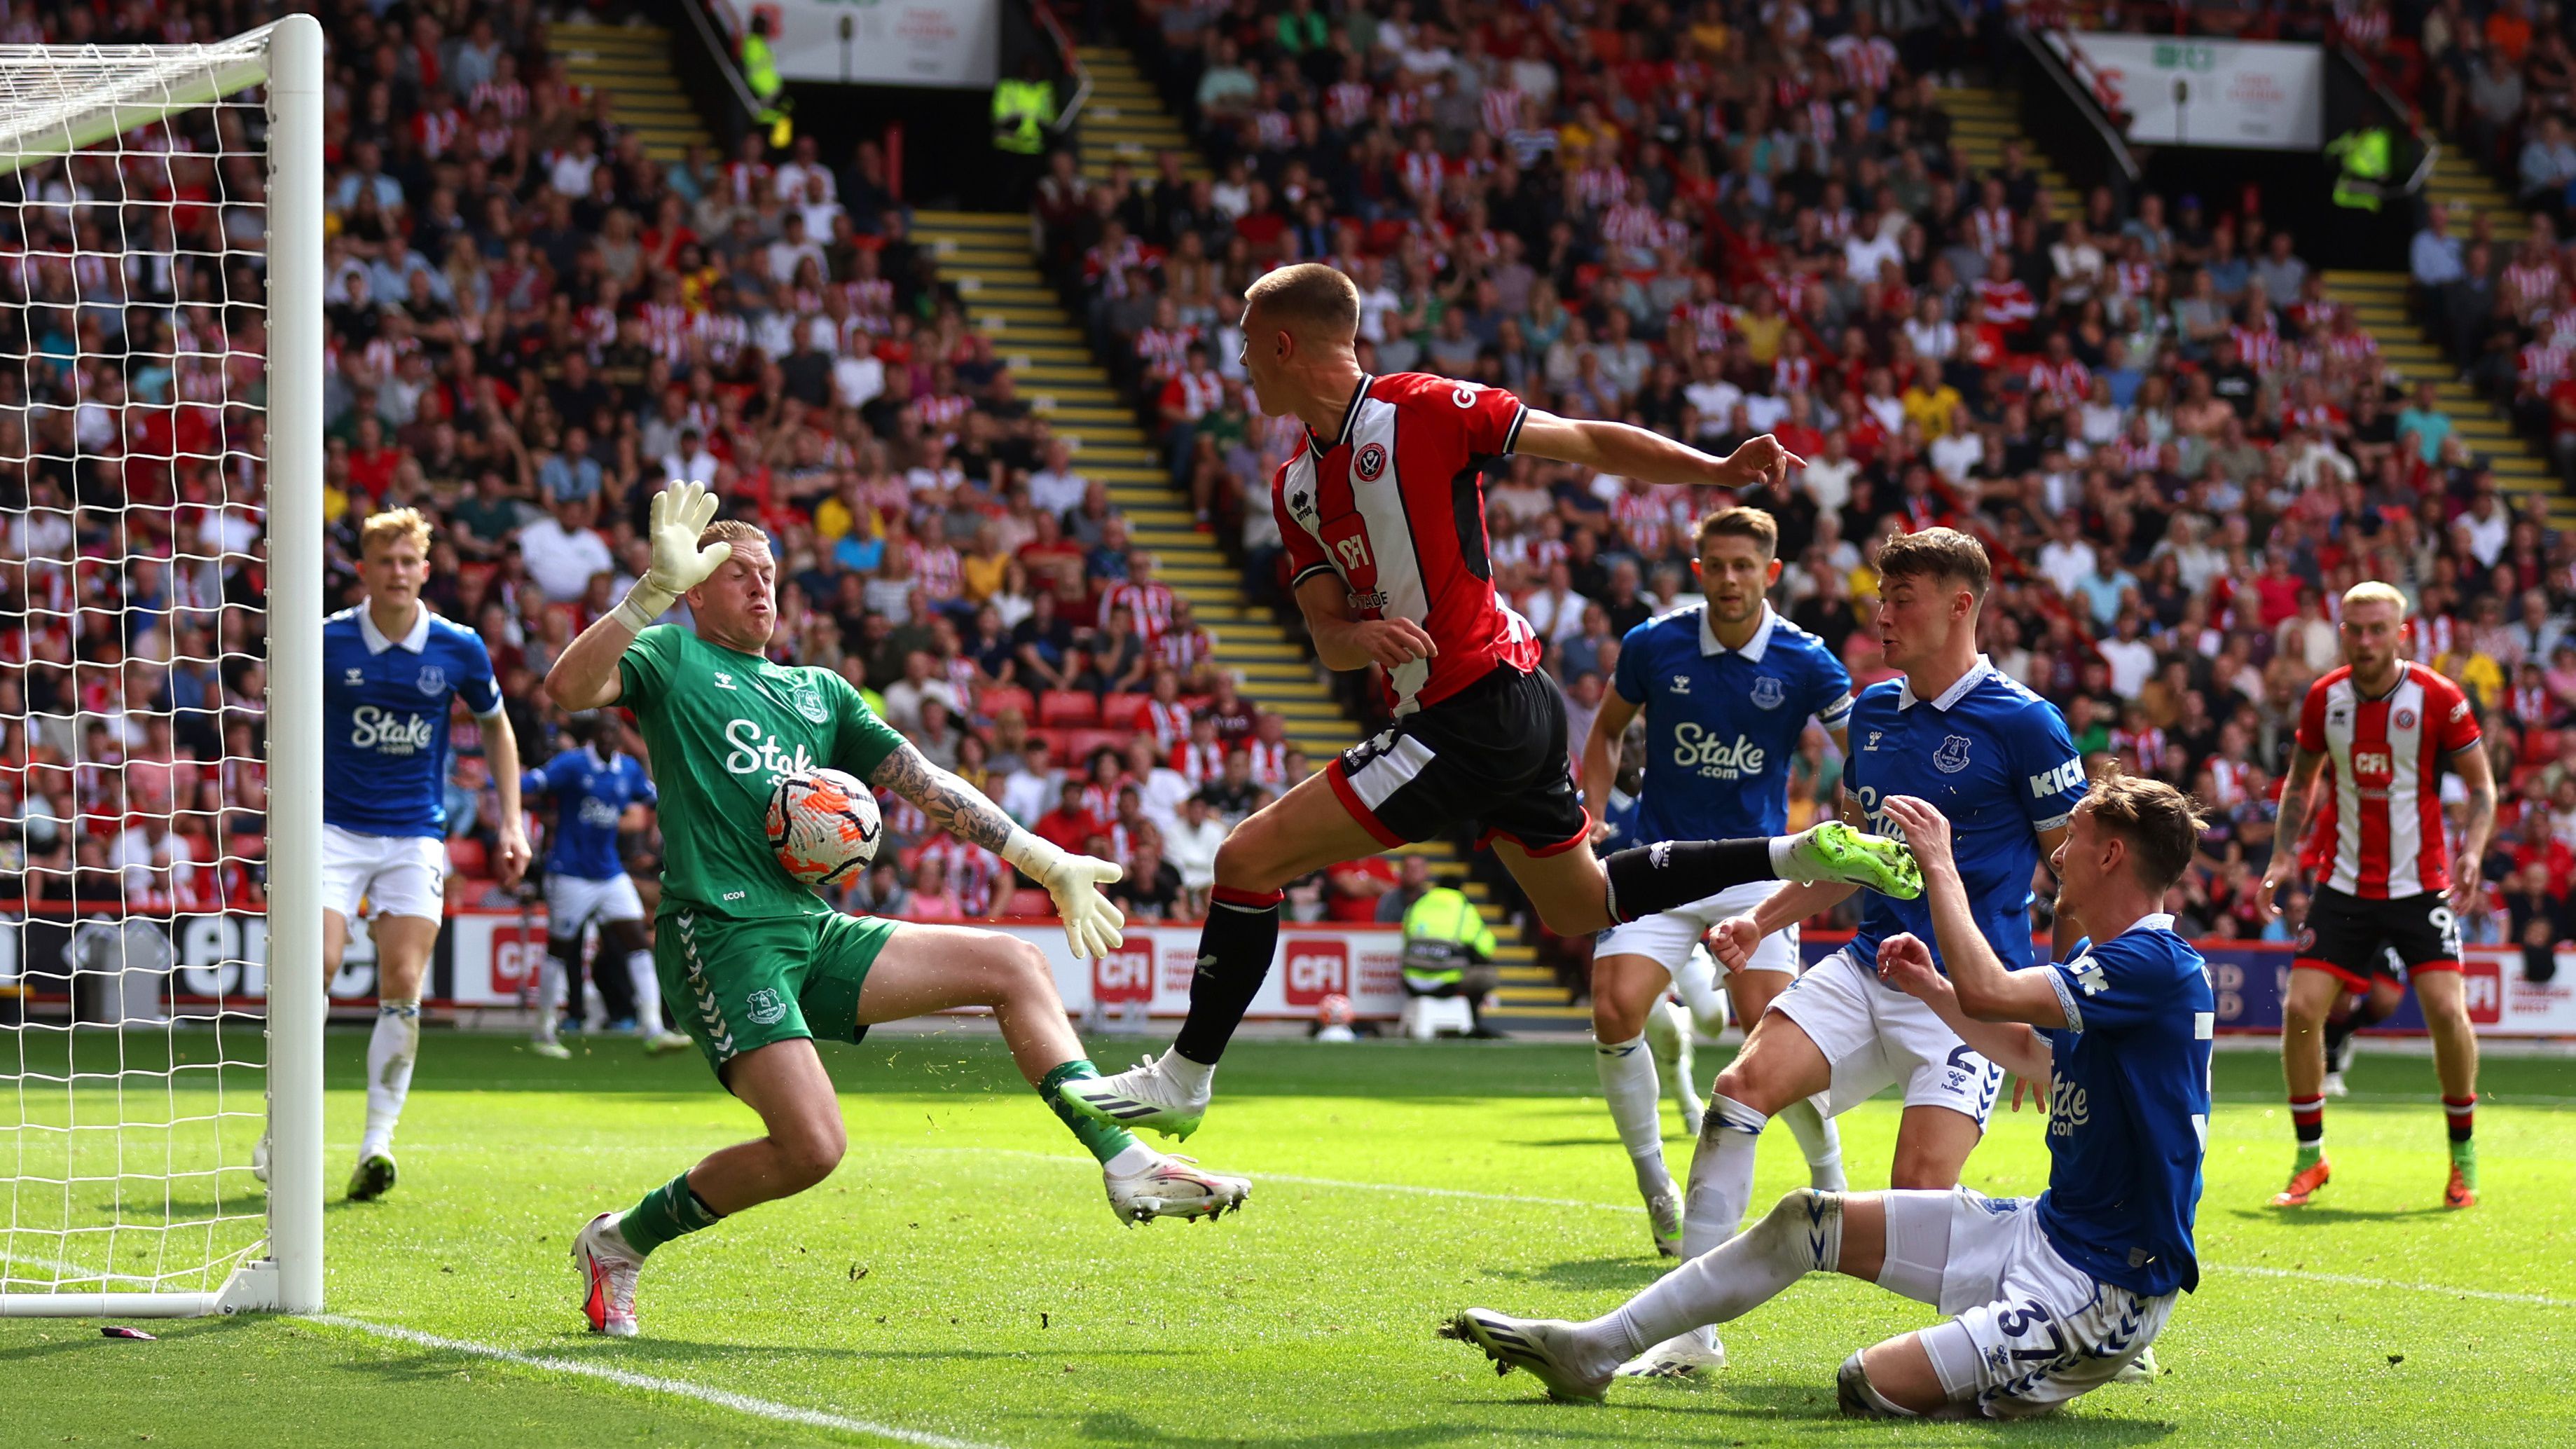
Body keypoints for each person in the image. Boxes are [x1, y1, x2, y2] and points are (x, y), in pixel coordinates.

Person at [1059, 261, 1920, 1140]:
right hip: (1493, 711)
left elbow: (1581, 439)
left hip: (1472, 704)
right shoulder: (1296, 488)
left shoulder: (1422, 410)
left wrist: (1713, 468)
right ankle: (1795, 849)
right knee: (1579, 907)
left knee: (1245, 860)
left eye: (1246, 344)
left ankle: (1185, 1076)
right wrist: (1361, 638)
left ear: (1282, 344)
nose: (1237, 361)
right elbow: (1323, 631)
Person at [544, 483, 1249, 1338]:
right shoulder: (671, 658)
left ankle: (1125, 1159)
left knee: (1012, 965)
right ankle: (620, 1241)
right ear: (696, 588)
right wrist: (644, 597)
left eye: (771, 574)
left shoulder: (819, 692)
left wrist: (1042, 859)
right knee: (812, 1150)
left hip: (810, 928)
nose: (762, 588)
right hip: (722, 936)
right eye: (739, 577)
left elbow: (927, 781)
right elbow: (569, 688)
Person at [1445, 776, 2212, 1421]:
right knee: (1801, 1220)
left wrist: (1937, 866)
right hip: (2043, 1234)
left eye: (2074, 835)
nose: (2059, 850)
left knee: (1867, 1381)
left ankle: (2076, 1363)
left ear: (2112, 853)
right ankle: (1593, 1349)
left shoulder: (2155, 962)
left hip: (2106, 1286)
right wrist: (1932, 990)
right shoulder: (2109, 958)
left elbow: (1993, 990)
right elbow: (2023, 1051)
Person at [1624, 527, 2088, 1380]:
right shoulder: (1872, 711)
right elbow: (1850, 853)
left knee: (1914, 1192)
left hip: (1965, 995)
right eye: (1880, 596)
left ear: (1959, 605)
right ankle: (1689, 1336)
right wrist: (1761, 921)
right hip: (1870, 961)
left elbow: (2081, 882)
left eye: (1900, 598)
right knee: (1738, 1090)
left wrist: (2050, 1011)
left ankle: (2057, 1307)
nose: (1881, 614)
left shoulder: (2027, 725)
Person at [1580, 505, 1851, 1258]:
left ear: (1770, 573)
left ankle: (1831, 1181)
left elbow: (1864, 748)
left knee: (1770, 1036)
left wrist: (1853, 812)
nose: (1729, 579)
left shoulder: (1805, 659)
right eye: (1715, 565)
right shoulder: (1652, 644)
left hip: (1753, 872)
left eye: (1744, 566)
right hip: (1658, 858)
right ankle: (1654, 1187)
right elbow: (1604, 731)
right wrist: (1592, 816)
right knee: (1612, 1006)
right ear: (1697, 570)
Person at [305, 508, 531, 1202]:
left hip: (411, 833)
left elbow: (498, 729)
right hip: (330, 828)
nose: (398, 572)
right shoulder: (325, 641)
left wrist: (511, 823)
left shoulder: (458, 647)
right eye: (385, 561)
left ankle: (377, 1143)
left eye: (409, 561)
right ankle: (284, 1126)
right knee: (316, 964)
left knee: (402, 981)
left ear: (425, 570)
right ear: (365, 570)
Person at [2256, 581, 2496, 1209]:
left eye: (2376, 629)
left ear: (2400, 634)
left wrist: (2471, 851)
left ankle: (2462, 1157)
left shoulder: (2438, 698)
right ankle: (2310, 1156)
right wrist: (2284, 854)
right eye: (2354, 629)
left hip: (2421, 885)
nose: (2364, 641)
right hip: (2344, 886)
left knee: (2446, 1011)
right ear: (2341, 631)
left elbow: (2482, 789)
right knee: (2302, 1009)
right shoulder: (2323, 699)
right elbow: (2299, 783)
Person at [523, 713, 691, 1057]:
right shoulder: (571, 765)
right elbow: (535, 784)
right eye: (603, 732)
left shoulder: (627, 770)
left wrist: (690, 803)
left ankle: (654, 1029)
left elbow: (655, 799)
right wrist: (499, 783)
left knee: (637, 943)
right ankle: (543, 1030)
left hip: (610, 873)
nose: (609, 739)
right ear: (592, 736)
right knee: (560, 950)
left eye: (615, 733)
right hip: (569, 872)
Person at [1398, 879, 1502, 1036]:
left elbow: (1405, 936)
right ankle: (1472, 1022)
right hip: (1446, 985)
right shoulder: (1462, 907)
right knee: (1488, 975)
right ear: (1460, 889)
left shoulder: (1418, 904)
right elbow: (1487, 947)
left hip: (1411, 983)